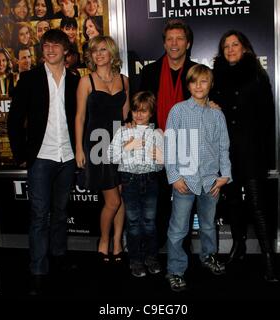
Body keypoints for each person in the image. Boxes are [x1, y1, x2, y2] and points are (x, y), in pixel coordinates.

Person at [7, 29, 80, 295]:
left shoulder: (75, 80)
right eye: (46, 45)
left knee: (60, 213)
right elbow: (14, 120)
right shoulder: (29, 79)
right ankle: (38, 269)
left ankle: (59, 258)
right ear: (42, 50)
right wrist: (21, 153)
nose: (50, 50)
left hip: (68, 157)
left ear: (66, 50)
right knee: (40, 216)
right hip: (40, 157)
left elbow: (81, 119)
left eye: (56, 45)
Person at [210, 30, 277, 282]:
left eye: (235, 44)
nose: (230, 49)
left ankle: (269, 257)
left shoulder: (258, 76)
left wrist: (264, 152)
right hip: (225, 152)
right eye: (225, 46)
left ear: (245, 48)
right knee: (233, 205)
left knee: (257, 206)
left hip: (252, 151)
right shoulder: (215, 78)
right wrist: (209, 104)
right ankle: (238, 248)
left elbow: (267, 118)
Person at [164, 64, 231, 292]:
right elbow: (169, 146)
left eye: (204, 81)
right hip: (184, 181)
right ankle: (175, 270)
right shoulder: (178, 111)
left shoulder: (217, 114)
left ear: (210, 84)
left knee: (208, 226)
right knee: (178, 229)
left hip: (211, 181)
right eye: (194, 81)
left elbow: (223, 148)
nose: (199, 86)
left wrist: (225, 176)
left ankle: (208, 257)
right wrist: (174, 176)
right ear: (188, 85)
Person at [139, 19, 197, 251]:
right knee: (158, 203)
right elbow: (141, 110)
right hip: (157, 147)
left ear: (188, 43)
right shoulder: (149, 72)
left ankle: (182, 248)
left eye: (179, 38)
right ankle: (158, 249)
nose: (174, 43)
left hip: (188, 149)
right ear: (164, 43)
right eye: (170, 39)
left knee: (186, 203)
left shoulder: (197, 73)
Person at [75, 35, 129, 264]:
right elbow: (79, 117)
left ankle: (117, 242)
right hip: (98, 144)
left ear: (112, 54)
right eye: (95, 50)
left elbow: (127, 117)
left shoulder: (125, 81)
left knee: (121, 197)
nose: (98, 54)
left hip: (121, 144)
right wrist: (79, 147)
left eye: (103, 50)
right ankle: (103, 240)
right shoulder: (87, 82)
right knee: (113, 201)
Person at [109, 91, 163, 277]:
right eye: (135, 110)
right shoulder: (123, 131)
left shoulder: (157, 133)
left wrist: (160, 158)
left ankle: (151, 258)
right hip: (129, 180)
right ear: (130, 112)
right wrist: (127, 147)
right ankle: (135, 260)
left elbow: (162, 164)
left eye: (144, 111)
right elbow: (111, 156)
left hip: (150, 180)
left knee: (149, 223)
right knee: (133, 223)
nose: (139, 115)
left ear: (151, 113)